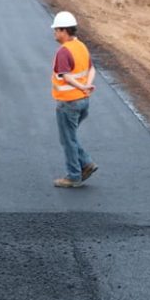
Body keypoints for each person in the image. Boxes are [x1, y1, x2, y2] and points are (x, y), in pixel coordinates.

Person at [50, 10, 97, 188]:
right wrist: (87, 87)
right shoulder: (81, 47)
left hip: (69, 103)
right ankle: (85, 164)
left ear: (64, 31)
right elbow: (92, 70)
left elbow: (66, 76)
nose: (54, 33)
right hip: (83, 101)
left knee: (68, 139)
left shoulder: (64, 51)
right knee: (69, 137)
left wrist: (82, 87)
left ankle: (74, 175)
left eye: (56, 30)